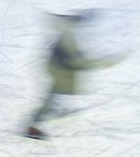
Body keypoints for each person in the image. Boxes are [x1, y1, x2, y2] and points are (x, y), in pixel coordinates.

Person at [23, 12, 122, 140]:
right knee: (50, 99)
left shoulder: (66, 35)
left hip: (59, 74)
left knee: (53, 97)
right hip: (60, 76)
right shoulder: (68, 38)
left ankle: (50, 114)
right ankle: (32, 127)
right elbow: (77, 62)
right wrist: (105, 62)